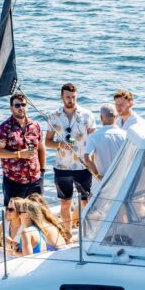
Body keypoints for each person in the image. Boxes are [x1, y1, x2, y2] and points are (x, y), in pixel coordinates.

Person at [46, 83, 97, 235]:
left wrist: (92, 162)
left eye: (73, 97)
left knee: (85, 201)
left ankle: (85, 233)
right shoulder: (53, 116)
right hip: (62, 166)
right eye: (68, 97)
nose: (71, 100)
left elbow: (94, 141)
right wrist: (60, 144)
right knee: (65, 202)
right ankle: (67, 234)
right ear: (62, 97)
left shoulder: (87, 115)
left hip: (82, 165)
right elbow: (47, 142)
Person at [0, 91, 46, 206]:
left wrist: (42, 172)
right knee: (13, 217)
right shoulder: (4, 128)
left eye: (23, 105)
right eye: (17, 105)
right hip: (14, 181)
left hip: (35, 180)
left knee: (37, 214)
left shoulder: (35, 126)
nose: (21, 108)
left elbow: (41, 149)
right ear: (11, 108)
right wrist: (19, 154)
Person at [84, 104, 127, 182]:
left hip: (102, 181)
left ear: (101, 118)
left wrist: (97, 176)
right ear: (116, 117)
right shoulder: (126, 135)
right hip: (121, 181)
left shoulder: (93, 136)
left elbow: (87, 159)